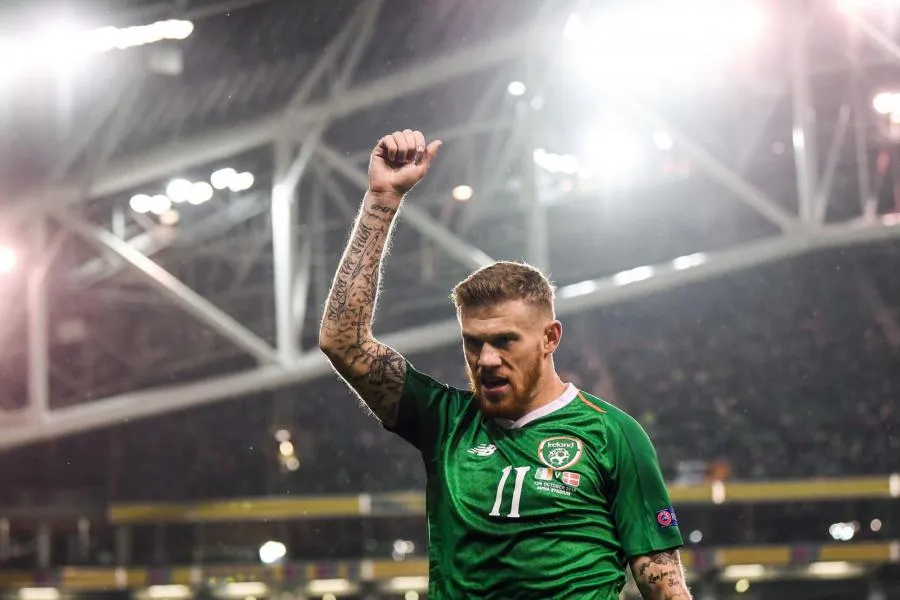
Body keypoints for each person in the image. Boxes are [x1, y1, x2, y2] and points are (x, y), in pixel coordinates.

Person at [318, 129, 692, 600]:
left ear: (550, 338)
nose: (487, 359)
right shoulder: (445, 421)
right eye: (473, 343)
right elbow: (342, 342)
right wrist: (382, 199)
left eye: (504, 341)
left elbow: (665, 585)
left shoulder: (614, 435)